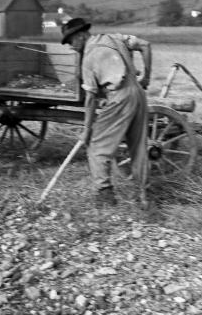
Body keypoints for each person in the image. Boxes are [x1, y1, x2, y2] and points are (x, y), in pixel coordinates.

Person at [61, 18, 152, 208]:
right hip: (139, 95)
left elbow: (90, 99)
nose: (71, 46)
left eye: (71, 41)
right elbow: (145, 45)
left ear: (81, 36)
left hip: (120, 98)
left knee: (96, 146)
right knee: (139, 148)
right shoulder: (114, 38)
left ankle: (105, 197)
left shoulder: (88, 58)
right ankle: (142, 197)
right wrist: (146, 77)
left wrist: (87, 129)